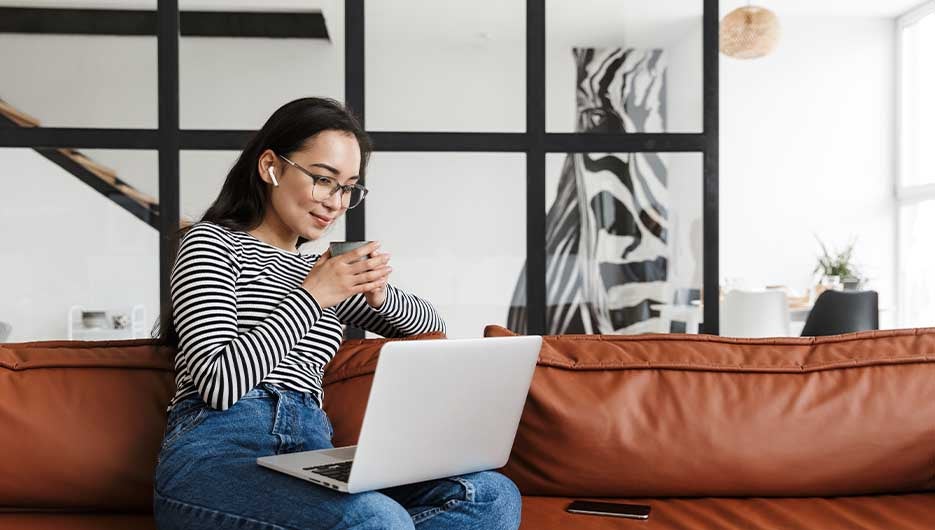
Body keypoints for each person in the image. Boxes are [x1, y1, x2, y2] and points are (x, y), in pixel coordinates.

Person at [153, 97, 522, 529]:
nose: (336, 203)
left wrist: (378, 294)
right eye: (324, 180)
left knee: (488, 495)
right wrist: (312, 296)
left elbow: (429, 326)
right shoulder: (210, 243)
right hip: (216, 457)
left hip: (308, 456)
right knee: (374, 520)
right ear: (270, 166)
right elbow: (218, 384)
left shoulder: (321, 272)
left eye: (348, 188)